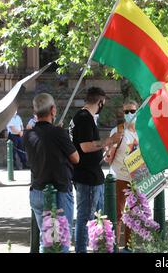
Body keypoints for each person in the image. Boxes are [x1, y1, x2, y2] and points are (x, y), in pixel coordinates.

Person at [23, 93, 79, 253]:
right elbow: (76, 158)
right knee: (61, 243)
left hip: (38, 191)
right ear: (53, 110)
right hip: (59, 192)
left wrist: (56, 133)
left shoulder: (28, 134)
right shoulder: (59, 133)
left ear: (35, 112)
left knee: (46, 241)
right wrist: (60, 134)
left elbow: (44, 148)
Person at [69, 87, 122, 253]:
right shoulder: (84, 118)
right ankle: (81, 249)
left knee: (98, 218)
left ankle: (99, 248)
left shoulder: (83, 117)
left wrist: (107, 147)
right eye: (103, 102)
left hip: (90, 175)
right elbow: (85, 147)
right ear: (100, 102)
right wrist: (108, 141)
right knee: (87, 219)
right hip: (87, 177)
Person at [106, 99, 139, 250]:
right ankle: (114, 246)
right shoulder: (117, 131)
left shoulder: (142, 132)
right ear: (122, 112)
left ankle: (129, 246)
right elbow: (108, 157)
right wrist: (109, 150)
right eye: (126, 111)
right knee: (117, 214)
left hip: (137, 178)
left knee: (133, 215)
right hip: (119, 176)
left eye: (132, 111)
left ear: (137, 111)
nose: (130, 114)